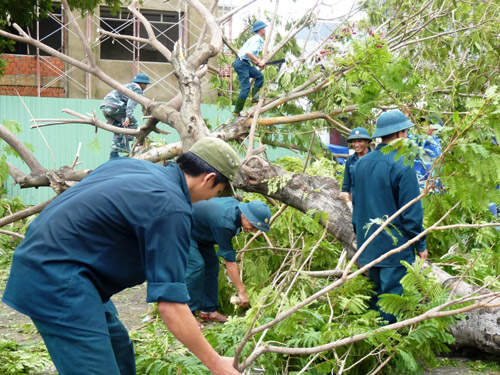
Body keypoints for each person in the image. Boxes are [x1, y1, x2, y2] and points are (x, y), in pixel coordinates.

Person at [2, 137, 243, 375]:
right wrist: (215, 363)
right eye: (219, 192)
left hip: (66, 265)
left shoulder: (131, 165)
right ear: (209, 178)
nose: (212, 199)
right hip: (56, 278)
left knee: (119, 352)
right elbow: (171, 306)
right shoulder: (172, 207)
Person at [352, 110, 428, 324]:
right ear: (399, 134)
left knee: (373, 300)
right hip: (394, 249)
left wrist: (360, 244)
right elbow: (411, 212)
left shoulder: (361, 164)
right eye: (406, 133)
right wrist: (420, 244)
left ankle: (371, 350)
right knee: (392, 304)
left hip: (368, 245)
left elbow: (357, 207)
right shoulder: (402, 166)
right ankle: (388, 350)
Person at [185, 198, 271, 325]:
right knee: (196, 266)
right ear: (244, 216)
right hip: (182, 228)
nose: (254, 230)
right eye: (253, 226)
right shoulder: (225, 222)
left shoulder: (236, 210)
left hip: (201, 232)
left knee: (212, 265)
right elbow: (230, 261)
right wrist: (242, 292)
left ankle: (208, 311)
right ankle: (186, 316)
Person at [101, 73, 151, 159]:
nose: (146, 86)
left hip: (105, 108)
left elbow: (143, 100)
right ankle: (132, 146)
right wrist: (128, 116)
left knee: (119, 129)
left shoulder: (129, 86)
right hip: (116, 106)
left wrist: (111, 117)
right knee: (133, 124)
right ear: (141, 83)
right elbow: (131, 102)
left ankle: (114, 154)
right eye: (145, 84)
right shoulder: (137, 88)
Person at [232, 20, 267, 117]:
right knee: (246, 87)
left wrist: (257, 62)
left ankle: (255, 100)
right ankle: (237, 111)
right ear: (260, 30)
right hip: (241, 64)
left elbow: (248, 56)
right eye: (264, 28)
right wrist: (259, 61)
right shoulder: (256, 40)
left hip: (245, 63)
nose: (265, 30)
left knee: (259, 76)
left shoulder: (257, 39)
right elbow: (248, 53)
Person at [411, 115, 443, 191]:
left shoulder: (428, 140)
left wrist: (404, 116)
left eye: (427, 124)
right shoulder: (436, 142)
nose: (423, 126)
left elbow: (406, 139)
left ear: (435, 128)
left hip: (424, 188)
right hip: (430, 188)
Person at [339, 127, 372, 201]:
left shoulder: (375, 159)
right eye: (354, 142)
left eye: (360, 141)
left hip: (371, 199)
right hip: (355, 200)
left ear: (366, 141)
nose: (356, 145)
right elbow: (346, 184)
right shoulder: (350, 160)